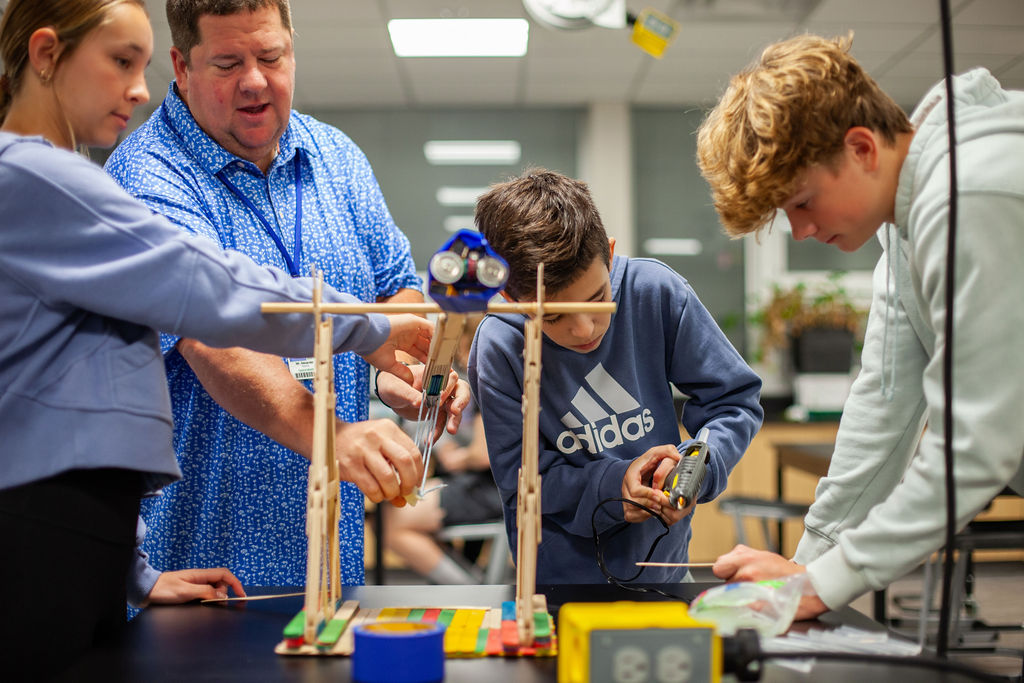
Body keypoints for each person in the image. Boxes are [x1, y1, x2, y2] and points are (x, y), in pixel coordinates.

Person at [0, 0, 430, 674]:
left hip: (103, 542)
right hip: (74, 540)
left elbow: (82, 404)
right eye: (121, 63)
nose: (137, 90)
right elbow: (206, 292)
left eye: (271, 57)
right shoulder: (48, 179)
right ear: (48, 55)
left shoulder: (334, 156)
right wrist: (364, 329)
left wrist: (133, 572)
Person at [105, 0, 466, 589]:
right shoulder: (147, 176)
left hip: (329, 559)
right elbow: (210, 336)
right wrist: (332, 435)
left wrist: (400, 370)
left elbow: (394, 287)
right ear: (182, 66)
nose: (254, 81)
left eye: (270, 57)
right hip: (201, 566)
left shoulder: (337, 159)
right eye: (227, 64)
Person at [696, 33, 1024, 619]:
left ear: (862, 148)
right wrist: (804, 570)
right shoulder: (903, 231)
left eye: (802, 202)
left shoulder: (971, 194)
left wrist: (820, 585)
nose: (800, 232)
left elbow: (974, 447)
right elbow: (882, 408)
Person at [467, 169, 763, 584]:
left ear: (608, 253)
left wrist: (697, 466)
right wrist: (611, 486)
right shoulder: (499, 344)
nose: (584, 329)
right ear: (509, 297)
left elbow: (733, 401)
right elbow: (522, 481)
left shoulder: (654, 292)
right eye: (553, 317)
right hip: (556, 585)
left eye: (598, 300)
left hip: (664, 569)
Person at [383, 316, 504, 584]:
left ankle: (469, 590)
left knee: (393, 525)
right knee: (398, 513)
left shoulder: (487, 378)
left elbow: (482, 455)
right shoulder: (483, 376)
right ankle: (469, 581)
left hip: (490, 488)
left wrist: (457, 459)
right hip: (482, 483)